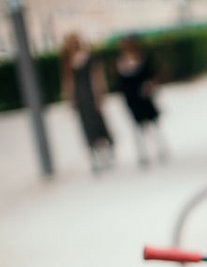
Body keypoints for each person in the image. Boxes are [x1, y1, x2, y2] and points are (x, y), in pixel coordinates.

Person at [61, 32, 115, 174]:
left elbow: (98, 76)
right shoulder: (68, 61)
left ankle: (106, 153)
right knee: (87, 128)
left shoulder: (89, 57)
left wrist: (100, 95)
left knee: (99, 125)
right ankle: (94, 158)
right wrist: (70, 100)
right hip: (80, 98)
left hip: (92, 95)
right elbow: (68, 82)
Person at [116, 34, 168, 167]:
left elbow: (152, 73)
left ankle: (160, 147)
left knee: (153, 122)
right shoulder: (121, 61)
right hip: (132, 98)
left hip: (144, 95)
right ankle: (142, 153)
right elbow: (121, 82)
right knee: (137, 126)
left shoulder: (143, 58)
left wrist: (150, 85)